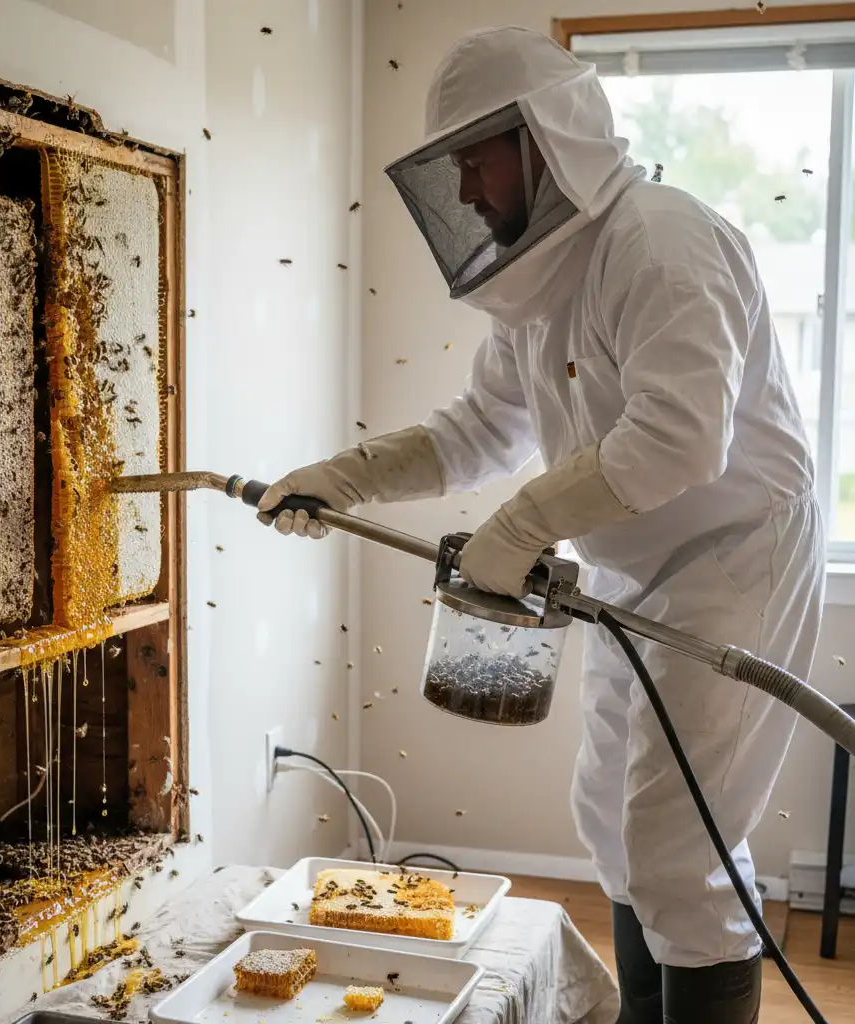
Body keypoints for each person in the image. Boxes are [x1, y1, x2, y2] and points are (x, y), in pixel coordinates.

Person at [257, 25, 824, 1024]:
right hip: (631, 564)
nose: (467, 190)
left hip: (736, 555)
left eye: (475, 157)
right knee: (608, 819)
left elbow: (678, 442)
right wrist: (343, 476)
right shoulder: (536, 293)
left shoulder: (660, 240)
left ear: (543, 137)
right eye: (455, 167)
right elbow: (476, 433)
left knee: (678, 847)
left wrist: (518, 528)